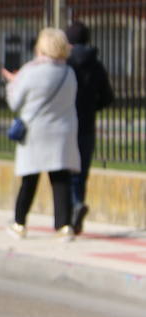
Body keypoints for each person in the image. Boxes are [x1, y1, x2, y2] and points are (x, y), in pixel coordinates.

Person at [2, 27, 80, 241]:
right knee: (60, 178)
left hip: (35, 132)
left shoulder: (30, 71)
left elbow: (15, 102)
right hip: (62, 131)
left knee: (29, 178)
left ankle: (19, 223)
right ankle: (64, 226)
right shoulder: (68, 72)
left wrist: (12, 83)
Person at [65, 21, 114, 235]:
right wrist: (92, 107)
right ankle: (78, 208)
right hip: (87, 124)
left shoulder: (65, 64)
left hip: (66, 122)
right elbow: (108, 97)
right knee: (81, 172)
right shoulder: (97, 65)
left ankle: (71, 211)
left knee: (66, 171)